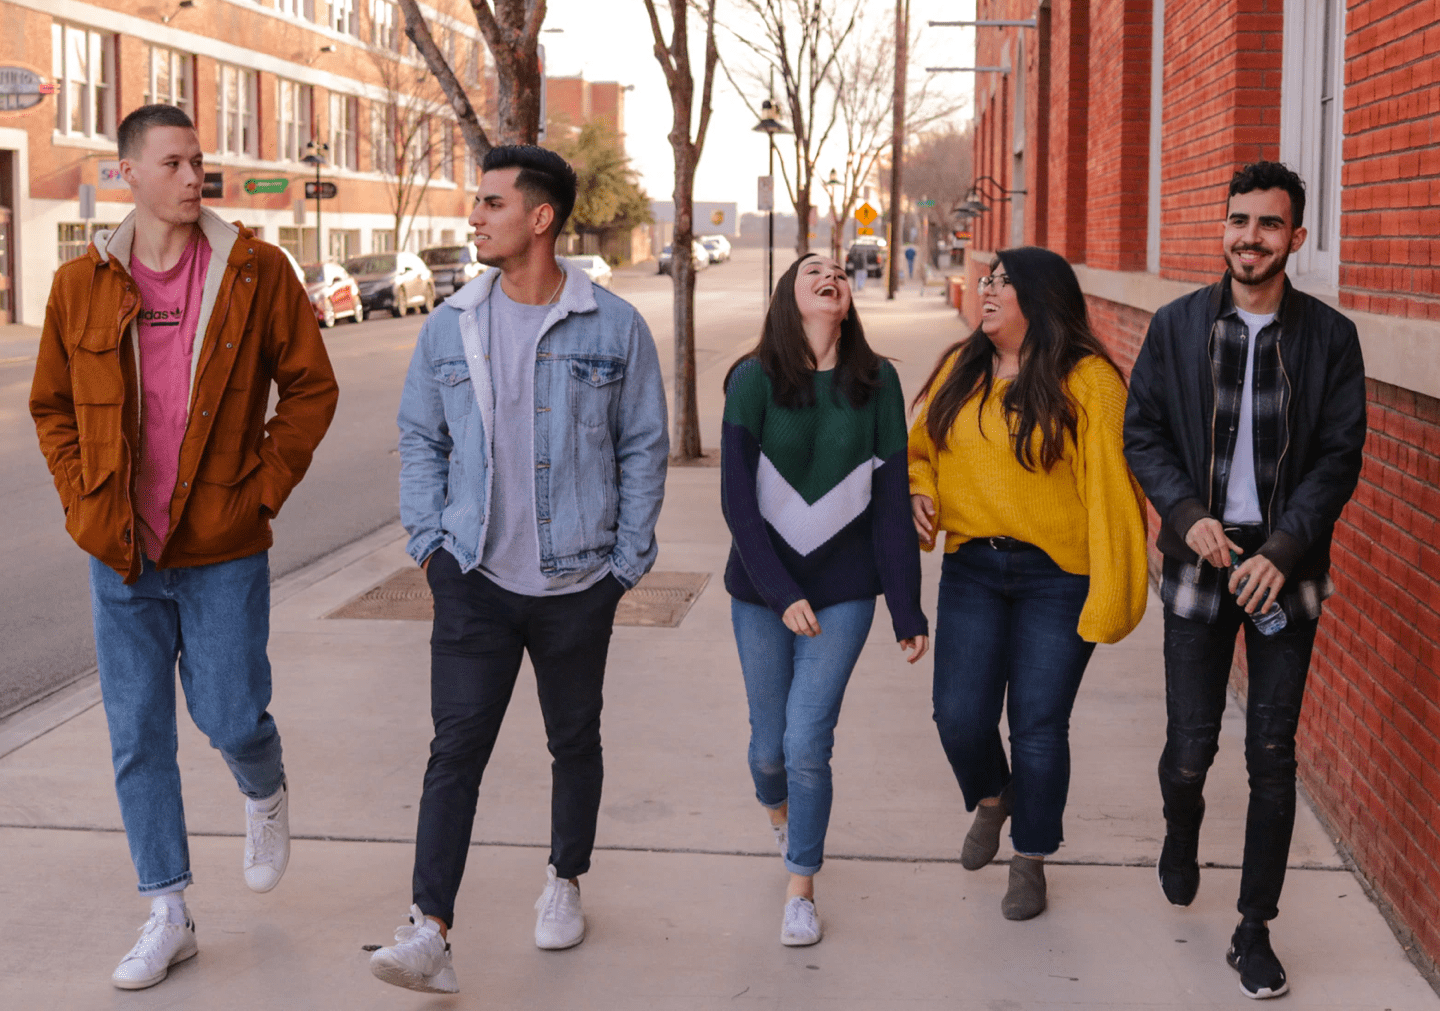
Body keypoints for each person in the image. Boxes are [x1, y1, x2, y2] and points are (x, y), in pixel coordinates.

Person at [29, 105, 338, 990]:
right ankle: (167, 909)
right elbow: (53, 406)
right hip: (121, 551)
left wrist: (263, 487)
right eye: (173, 163)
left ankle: (263, 786)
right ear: (128, 172)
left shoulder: (254, 271)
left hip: (222, 545)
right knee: (137, 733)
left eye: (199, 161)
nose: (192, 176)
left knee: (231, 713)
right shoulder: (81, 283)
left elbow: (311, 389)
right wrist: (83, 498)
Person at [370, 145, 668, 994]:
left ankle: (564, 880)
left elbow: (643, 444)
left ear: (539, 218)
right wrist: (429, 545)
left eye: (492, 203)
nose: (475, 217)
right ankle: (430, 928)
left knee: (573, 739)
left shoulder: (613, 327)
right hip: (473, 579)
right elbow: (422, 437)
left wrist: (624, 564)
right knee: (455, 748)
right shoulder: (450, 322)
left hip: (579, 583)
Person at [1124, 161, 1366, 1000]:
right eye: (1238, 221)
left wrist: (1286, 548)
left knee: (1272, 754)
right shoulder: (1179, 327)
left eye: (1267, 224)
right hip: (1200, 558)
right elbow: (1143, 432)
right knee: (1190, 749)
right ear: (1223, 227)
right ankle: (1180, 827)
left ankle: (1253, 927)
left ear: (1295, 238)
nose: (1248, 237)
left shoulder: (1330, 338)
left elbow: (1339, 457)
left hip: (1282, 568)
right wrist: (1185, 510)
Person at [909, 246, 1148, 921]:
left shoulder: (1089, 380)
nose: (985, 290)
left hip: (1058, 576)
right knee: (958, 715)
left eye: (1002, 282)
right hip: (972, 567)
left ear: (1040, 298)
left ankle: (1031, 856)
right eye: (985, 278)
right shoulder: (961, 367)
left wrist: (1112, 590)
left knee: (1039, 726)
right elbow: (919, 450)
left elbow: (1112, 493)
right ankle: (993, 797)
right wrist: (918, 492)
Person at [722, 252, 928, 947]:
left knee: (807, 741)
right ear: (790, 294)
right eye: (813, 268)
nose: (830, 273)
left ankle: (800, 884)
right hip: (760, 589)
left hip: (843, 592)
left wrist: (906, 607)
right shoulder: (751, 380)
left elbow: (894, 504)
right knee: (766, 750)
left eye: (839, 270)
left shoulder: (879, 383)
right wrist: (780, 594)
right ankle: (782, 816)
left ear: (848, 299)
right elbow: (737, 505)